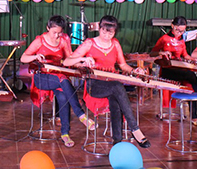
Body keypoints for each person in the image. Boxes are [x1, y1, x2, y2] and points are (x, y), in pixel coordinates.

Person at [63, 15, 151, 148]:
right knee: (117, 87)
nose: (106, 35)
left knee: (115, 98)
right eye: (104, 31)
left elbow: (122, 66)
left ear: (115, 32)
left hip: (112, 83)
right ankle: (134, 129)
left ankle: (117, 141)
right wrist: (82, 60)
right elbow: (67, 61)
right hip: (95, 85)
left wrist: (134, 71)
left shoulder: (115, 43)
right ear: (99, 28)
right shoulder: (89, 43)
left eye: (110, 33)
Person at [20, 15, 95, 147]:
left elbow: (69, 61)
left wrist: (82, 61)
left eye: (59, 33)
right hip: (42, 78)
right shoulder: (40, 41)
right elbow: (23, 58)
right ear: (47, 28)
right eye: (54, 32)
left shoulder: (64, 40)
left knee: (63, 96)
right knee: (63, 80)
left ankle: (65, 133)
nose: (57, 36)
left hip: (59, 78)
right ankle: (81, 114)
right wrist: (35, 56)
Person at [150, 16, 197, 126]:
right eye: (177, 30)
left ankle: (194, 117)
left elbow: (185, 55)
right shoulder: (164, 38)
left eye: (182, 31)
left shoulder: (181, 40)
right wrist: (162, 53)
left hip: (180, 70)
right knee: (191, 75)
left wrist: (196, 60)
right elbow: (152, 53)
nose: (179, 33)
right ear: (172, 26)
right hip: (168, 70)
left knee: (191, 86)